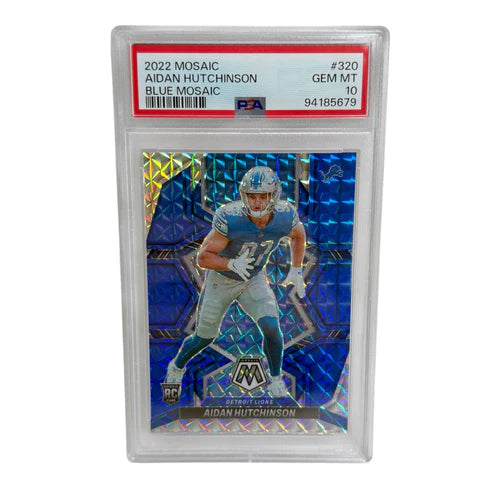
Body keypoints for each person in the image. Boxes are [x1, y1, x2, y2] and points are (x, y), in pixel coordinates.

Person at [164, 166, 306, 397]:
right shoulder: (231, 218)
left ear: (274, 196)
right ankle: (176, 367)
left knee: (272, 328)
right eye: (252, 196)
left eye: (263, 196)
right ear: (243, 195)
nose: (257, 203)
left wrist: (297, 269)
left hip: (252, 278)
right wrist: (230, 264)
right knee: (204, 338)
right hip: (222, 280)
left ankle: (275, 379)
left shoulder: (284, 215)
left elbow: (298, 234)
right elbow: (203, 258)